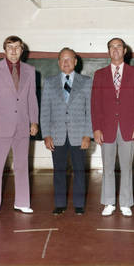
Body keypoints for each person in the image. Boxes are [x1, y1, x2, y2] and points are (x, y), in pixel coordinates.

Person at [0, 35, 38, 218]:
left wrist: (34, 121)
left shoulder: (30, 70)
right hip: (0, 126)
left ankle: (22, 202)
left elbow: (32, 98)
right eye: (10, 47)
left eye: (17, 47)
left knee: (22, 165)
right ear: (4, 50)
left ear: (23, 50)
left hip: (23, 125)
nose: (14, 51)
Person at [91, 38, 134, 217]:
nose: (115, 50)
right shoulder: (99, 74)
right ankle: (108, 202)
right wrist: (96, 128)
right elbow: (95, 104)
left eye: (119, 46)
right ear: (108, 51)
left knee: (126, 166)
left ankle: (125, 203)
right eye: (112, 47)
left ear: (125, 51)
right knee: (107, 167)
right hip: (106, 128)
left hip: (128, 128)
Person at [40, 48, 92, 215]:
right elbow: (45, 111)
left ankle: (79, 204)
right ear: (58, 62)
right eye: (62, 59)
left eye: (69, 59)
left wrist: (87, 134)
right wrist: (46, 135)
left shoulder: (86, 81)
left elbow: (91, 111)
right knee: (59, 171)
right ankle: (60, 204)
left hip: (79, 135)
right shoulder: (49, 82)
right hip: (57, 135)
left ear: (76, 61)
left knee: (79, 170)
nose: (66, 62)